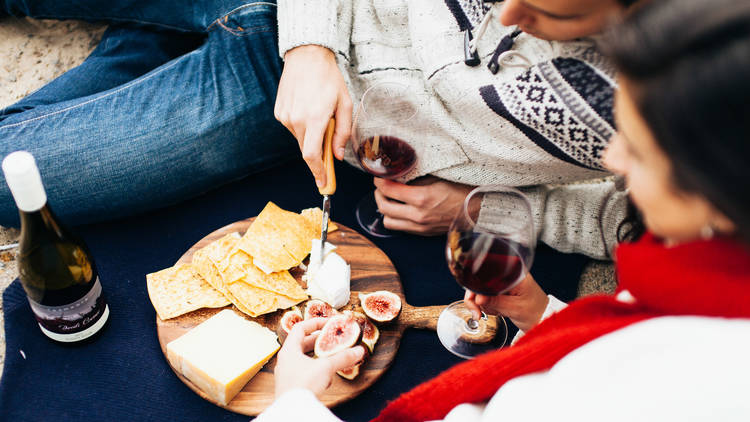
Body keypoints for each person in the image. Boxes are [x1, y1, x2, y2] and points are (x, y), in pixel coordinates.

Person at [257, 0, 750, 420]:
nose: (507, 13)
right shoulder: (697, 282)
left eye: (637, 151)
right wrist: (309, 43)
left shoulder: (679, 383)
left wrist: (293, 403)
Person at [275, 0, 640, 259]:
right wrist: (309, 44)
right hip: (290, 39)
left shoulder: (656, 102)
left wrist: (485, 208)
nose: (508, 13)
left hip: (391, 193)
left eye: (544, 12)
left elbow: (646, 230)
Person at [0, 0, 297, 226]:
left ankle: (157, 34)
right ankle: (158, 34)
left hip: (281, 81)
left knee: (11, 176)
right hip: (304, 44)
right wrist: (312, 46)